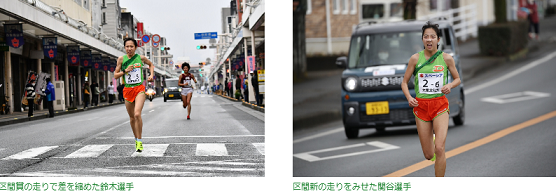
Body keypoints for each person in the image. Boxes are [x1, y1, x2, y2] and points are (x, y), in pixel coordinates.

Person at [401, 21, 461, 177]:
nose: (429, 39)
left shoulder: (446, 58)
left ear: (438, 39)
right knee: (429, 154)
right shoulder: (415, 59)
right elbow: (404, 82)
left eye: (432, 37)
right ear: (422, 40)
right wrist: (409, 97)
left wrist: (450, 85)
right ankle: (433, 144)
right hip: (421, 107)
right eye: (426, 36)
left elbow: (457, 79)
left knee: (440, 148)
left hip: (440, 104)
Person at [115, 37, 155, 153]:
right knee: (132, 117)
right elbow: (115, 75)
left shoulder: (140, 58)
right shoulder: (121, 59)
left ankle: (140, 140)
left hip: (139, 89)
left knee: (137, 114)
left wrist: (151, 74)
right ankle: (136, 139)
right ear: (124, 48)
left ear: (135, 48)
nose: (129, 49)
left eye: (131, 46)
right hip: (127, 90)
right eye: (127, 46)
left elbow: (151, 65)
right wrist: (125, 71)